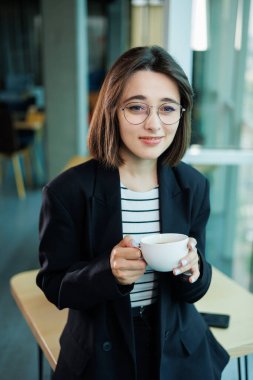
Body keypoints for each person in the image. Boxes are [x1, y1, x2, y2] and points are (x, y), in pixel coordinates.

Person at [36, 45, 229, 380]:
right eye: (136, 107)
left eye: (167, 108)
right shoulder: (67, 191)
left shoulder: (193, 186)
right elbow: (54, 285)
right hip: (102, 353)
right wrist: (107, 272)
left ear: (181, 114)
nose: (154, 124)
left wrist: (194, 270)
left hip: (178, 348)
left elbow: (195, 288)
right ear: (112, 110)